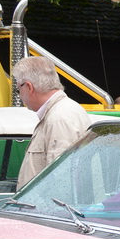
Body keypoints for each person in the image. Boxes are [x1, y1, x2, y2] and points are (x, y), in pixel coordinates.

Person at [13, 55, 92, 188]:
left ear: (29, 87)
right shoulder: (60, 113)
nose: (19, 96)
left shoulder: (60, 118)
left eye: (18, 90)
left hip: (48, 208)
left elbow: (62, 182)